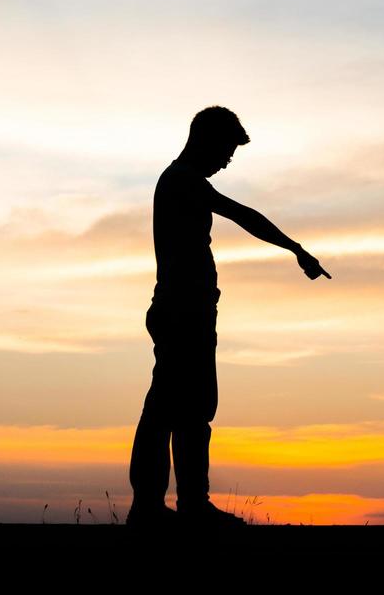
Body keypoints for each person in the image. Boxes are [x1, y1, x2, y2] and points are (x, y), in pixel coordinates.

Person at [127, 105, 330, 527]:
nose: (228, 160)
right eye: (226, 150)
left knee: (189, 410)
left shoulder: (184, 181)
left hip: (192, 313)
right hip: (181, 313)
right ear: (205, 140)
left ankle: (184, 505)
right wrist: (296, 249)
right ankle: (155, 507)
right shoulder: (182, 180)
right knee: (169, 409)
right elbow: (243, 215)